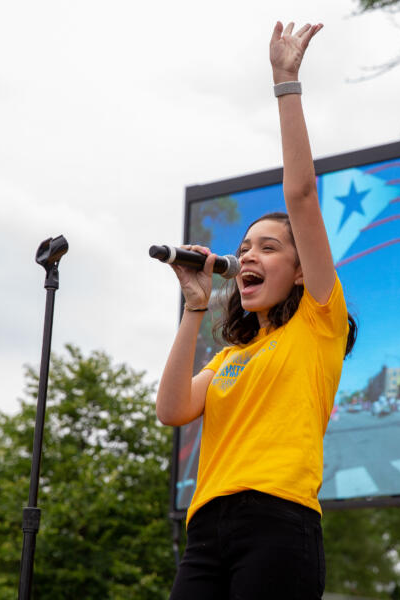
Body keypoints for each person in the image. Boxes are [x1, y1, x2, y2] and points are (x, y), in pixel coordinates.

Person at [157, 22, 356, 600]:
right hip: (206, 528)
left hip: (278, 522)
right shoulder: (231, 355)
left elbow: (300, 196)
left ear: (299, 271)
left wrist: (285, 84)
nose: (249, 255)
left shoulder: (319, 322)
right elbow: (171, 410)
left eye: (269, 248)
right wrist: (194, 308)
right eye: (243, 248)